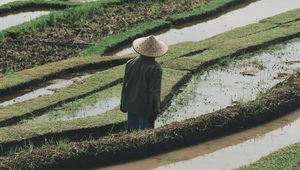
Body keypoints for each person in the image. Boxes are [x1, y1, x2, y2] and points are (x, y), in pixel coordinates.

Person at [120, 35, 168, 132]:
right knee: (145, 133)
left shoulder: (130, 63)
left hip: (131, 104)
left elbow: (125, 85)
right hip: (145, 107)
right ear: (156, 52)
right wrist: (155, 111)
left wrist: (123, 103)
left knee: (131, 133)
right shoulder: (155, 68)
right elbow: (154, 92)